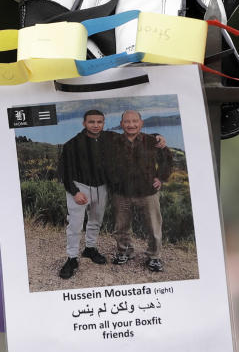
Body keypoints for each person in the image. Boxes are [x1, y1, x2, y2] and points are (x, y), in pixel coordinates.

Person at [109, 110, 173, 272]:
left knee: (153, 227)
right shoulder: (113, 141)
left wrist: (161, 177)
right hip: (121, 193)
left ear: (141, 123)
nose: (131, 125)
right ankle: (124, 251)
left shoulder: (152, 141)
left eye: (134, 121)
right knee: (121, 226)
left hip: (148, 192)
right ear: (122, 124)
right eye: (127, 122)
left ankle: (154, 257)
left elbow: (167, 158)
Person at [56, 110, 111, 279]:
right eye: (92, 122)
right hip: (80, 187)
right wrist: (75, 192)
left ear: (103, 123)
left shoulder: (109, 139)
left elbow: (131, 136)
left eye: (99, 122)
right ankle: (72, 258)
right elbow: (63, 172)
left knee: (96, 221)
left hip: (102, 187)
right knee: (75, 225)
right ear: (84, 123)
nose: (96, 125)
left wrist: (157, 136)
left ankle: (90, 248)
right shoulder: (72, 144)